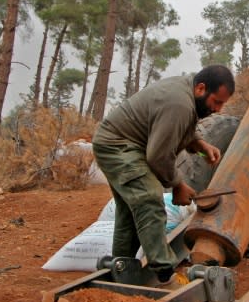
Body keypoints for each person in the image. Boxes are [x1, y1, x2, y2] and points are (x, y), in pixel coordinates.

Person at [92, 65, 235, 286]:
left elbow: (177, 127)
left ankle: (122, 272)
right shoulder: (179, 102)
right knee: (149, 198)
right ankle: (165, 275)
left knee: (130, 213)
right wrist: (178, 185)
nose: (218, 109)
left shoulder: (186, 92)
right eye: (216, 102)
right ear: (201, 88)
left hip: (118, 144)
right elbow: (158, 156)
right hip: (118, 147)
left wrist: (200, 144)